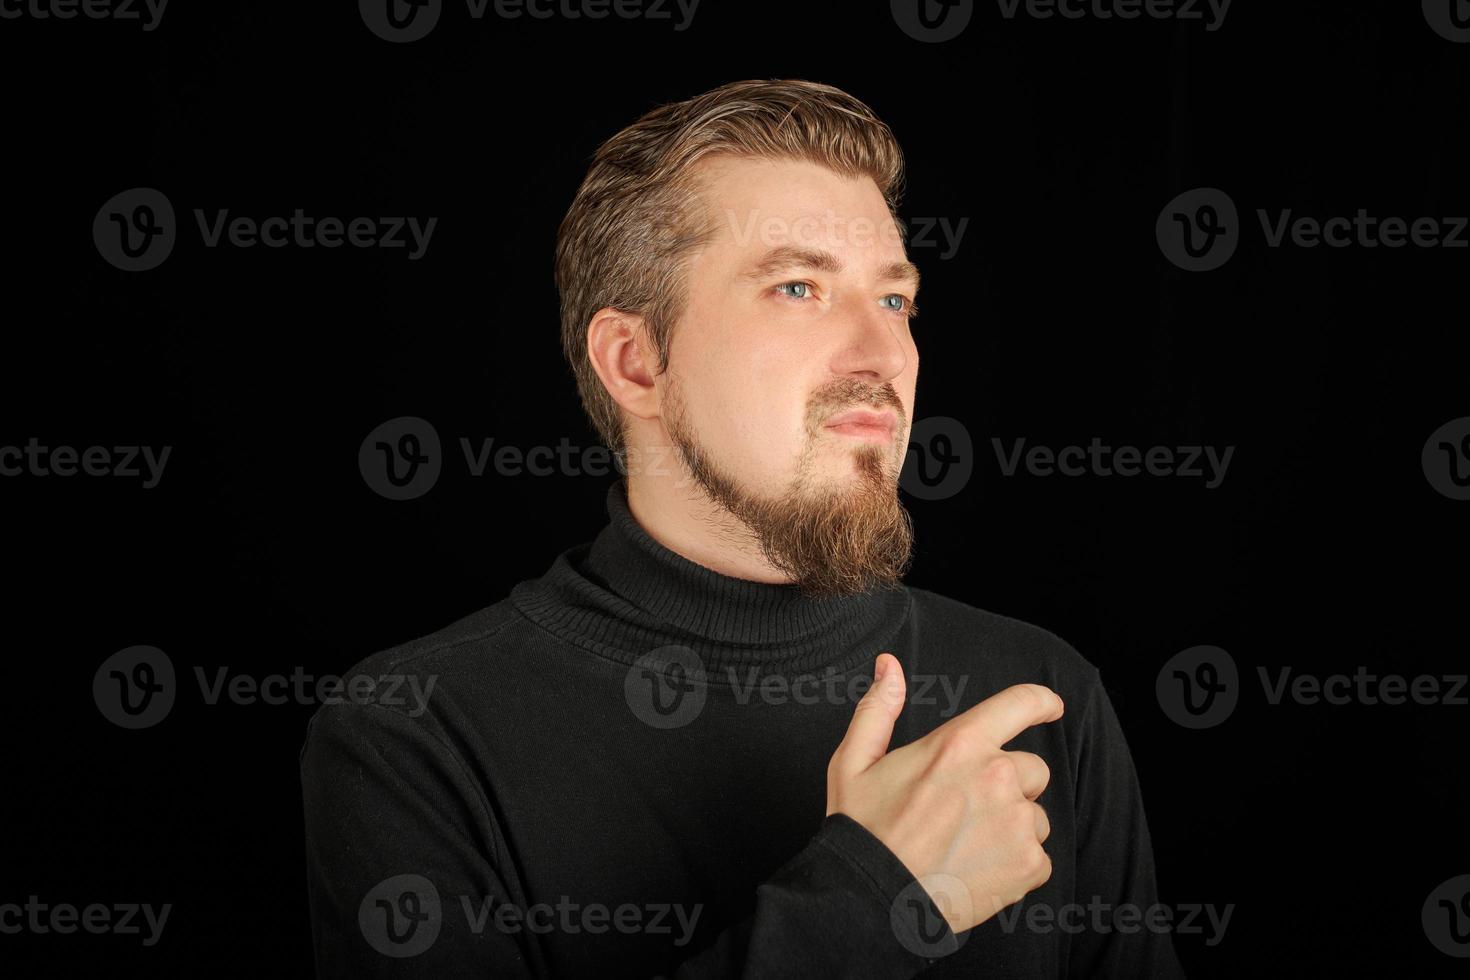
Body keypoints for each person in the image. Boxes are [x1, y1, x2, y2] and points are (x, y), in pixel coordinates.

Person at [300, 78, 1185, 979]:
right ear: (635, 362)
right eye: (799, 288)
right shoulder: (417, 736)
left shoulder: (1035, 696)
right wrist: (879, 900)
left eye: (895, 301)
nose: (886, 357)